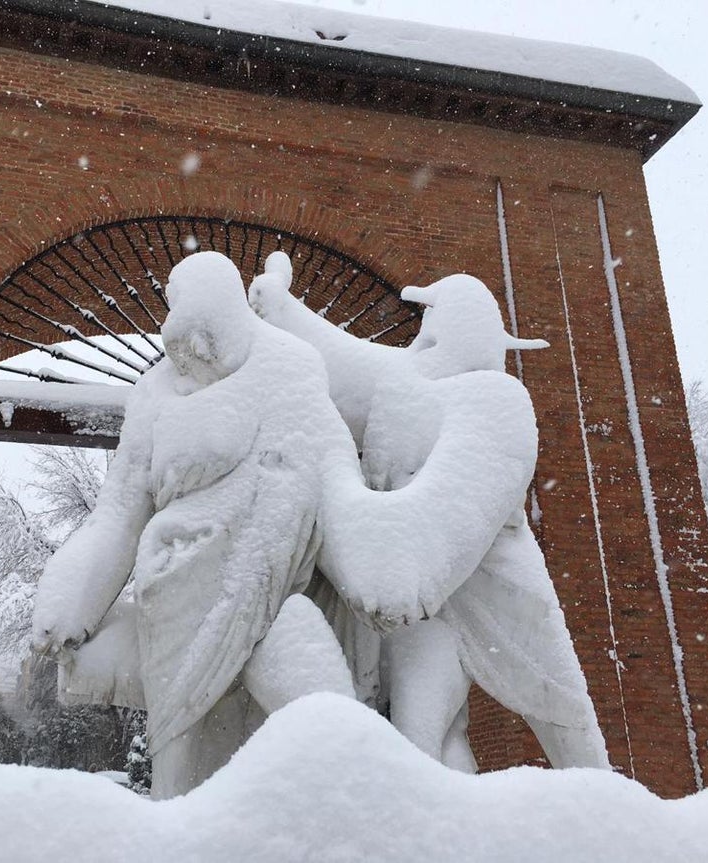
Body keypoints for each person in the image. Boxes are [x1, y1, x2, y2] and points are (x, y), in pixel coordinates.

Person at [250, 254, 611, 771]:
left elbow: (403, 571)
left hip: (500, 601)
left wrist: (328, 458)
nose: (426, 340)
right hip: (432, 616)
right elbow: (344, 361)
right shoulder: (406, 387)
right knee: (420, 742)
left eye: (433, 328)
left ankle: (612, 824)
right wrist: (282, 310)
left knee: (569, 725)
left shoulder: (493, 402)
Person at [32, 251, 356, 798]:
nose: (192, 363)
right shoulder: (154, 394)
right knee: (180, 783)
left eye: (204, 347)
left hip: (267, 601)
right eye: (181, 351)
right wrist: (68, 606)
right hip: (171, 605)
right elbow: (119, 511)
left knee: (326, 750)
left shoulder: (291, 369)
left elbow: (332, 478)